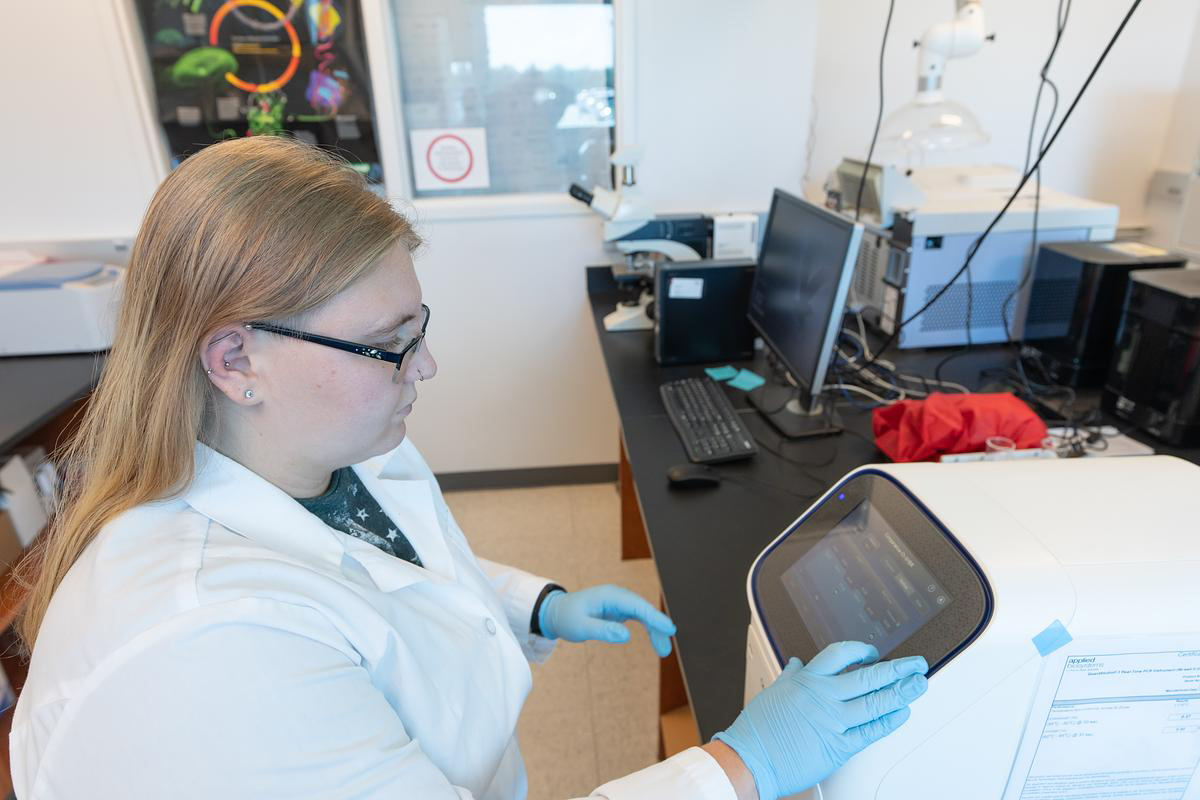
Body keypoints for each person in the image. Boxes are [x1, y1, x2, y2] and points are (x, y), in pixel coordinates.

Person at [10, 137, 927, 800]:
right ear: (235, 361)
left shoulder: (307, 455)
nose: (426, 368)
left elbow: (395, 570)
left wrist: (531, 603)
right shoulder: (208, 647)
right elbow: (318, 610)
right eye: (387, 345)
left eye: (419, 331)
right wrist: (740, 769)